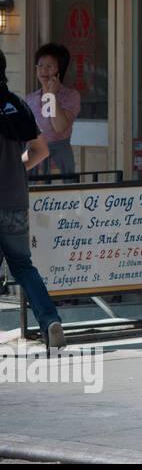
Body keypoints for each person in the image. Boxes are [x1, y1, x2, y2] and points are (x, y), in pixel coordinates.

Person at [0, 51, 63, 348]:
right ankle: (50, 321)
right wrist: (16, 167)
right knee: (23, 266)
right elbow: (41, 151)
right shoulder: (16, 105)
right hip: (14, 200)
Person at [25, 43, 80, 178]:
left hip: (59, 162)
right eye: (40, 65)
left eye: (49, 66)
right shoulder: (30, 98)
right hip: (33, 161)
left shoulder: (70, 96)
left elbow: (60, 127)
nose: (44, 70)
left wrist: (52, 95)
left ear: (59, 70)